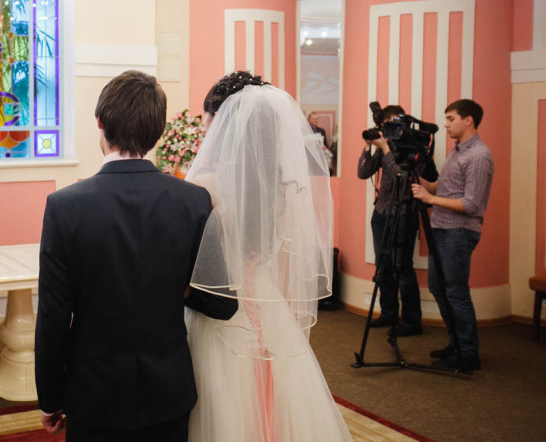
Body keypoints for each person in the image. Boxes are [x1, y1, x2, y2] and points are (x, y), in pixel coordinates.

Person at [35, 70, 237, 441]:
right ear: (157, 131)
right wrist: (175, 286)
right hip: (168, 392)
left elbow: (53, 315)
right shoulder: (194, 201)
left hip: (93, 392)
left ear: (100, 122)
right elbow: (223, 303)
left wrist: (50, 397)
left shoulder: (64, 206)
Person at [185, 71, 351, 442]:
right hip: (264, 300)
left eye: (209, 117)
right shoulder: (277, 187)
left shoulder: (203, 186)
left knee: (226, 404)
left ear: (223, 121)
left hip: (218, 307)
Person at [411, 99, 493, 371]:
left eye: (451, 118)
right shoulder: (457, 151)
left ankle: (468, 354)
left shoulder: (478, 155)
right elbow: (446, 188)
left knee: (456, 292)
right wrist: (426, 185)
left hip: (458, 232)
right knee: (438, 287)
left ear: (468, 120)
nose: (445, 124)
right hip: (441, 229)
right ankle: (456, 343)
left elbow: (471, 204)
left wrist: (429, 199)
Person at [358, 105, 437, 337]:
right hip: (381, 213)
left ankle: (412, 322)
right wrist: (369, 147)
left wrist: (386, 149)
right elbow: (363, 173)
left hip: (404, 214)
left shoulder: (415, 148)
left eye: (392, 125)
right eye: (385, 126)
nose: (388, 131)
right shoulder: (384, 147)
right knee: (383, 266)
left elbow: (403, 179)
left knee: (402, 268)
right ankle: (388, 313)